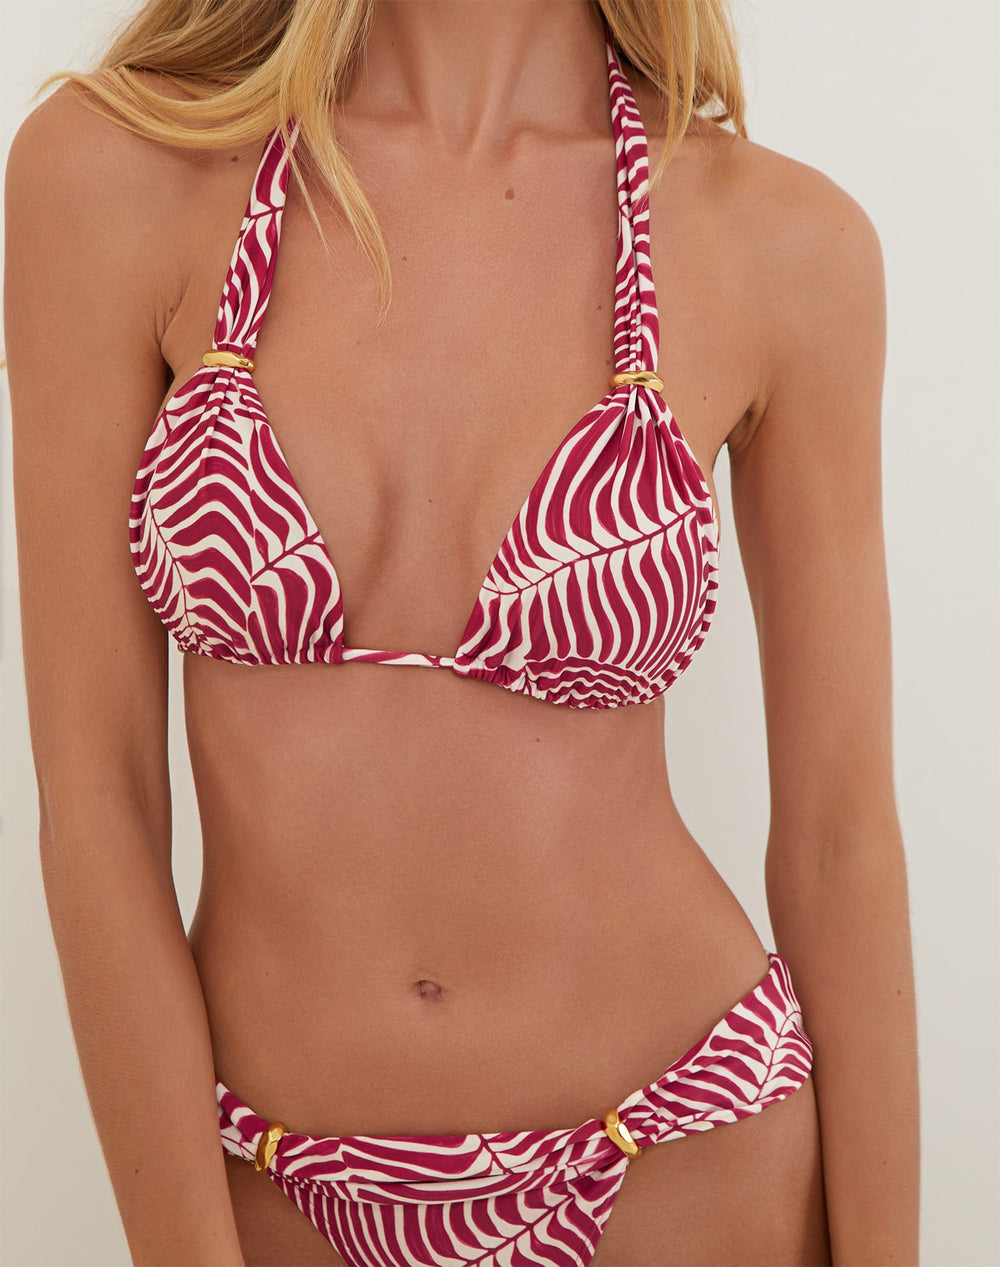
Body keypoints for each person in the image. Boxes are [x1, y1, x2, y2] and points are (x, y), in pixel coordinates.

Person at [4, 0, 920, 1263]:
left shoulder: (782, 243)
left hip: (684, 1144)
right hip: (272, 1176)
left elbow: (838, 840)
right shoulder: (111, 173)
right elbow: (96, 797)